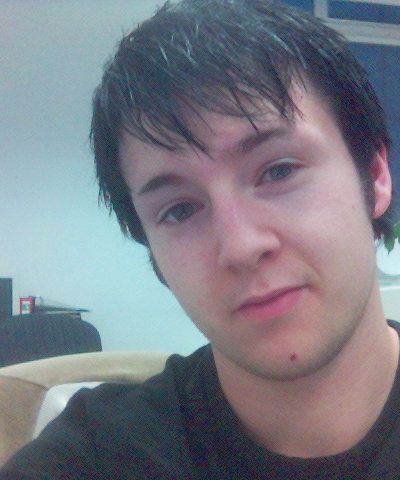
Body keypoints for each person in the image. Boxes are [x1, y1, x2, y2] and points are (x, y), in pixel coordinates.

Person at [1, 0, 399, 478]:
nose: (241, 247)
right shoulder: (96, 456)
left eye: (279, 170)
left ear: (375, 176)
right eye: (180, 209)